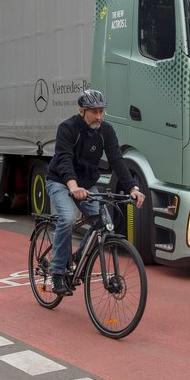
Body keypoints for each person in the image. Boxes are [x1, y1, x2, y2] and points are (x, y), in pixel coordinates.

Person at [45, 89, 145, 296]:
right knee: (68, 218)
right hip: (61, 182)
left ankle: (76, 258)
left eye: (101, 111)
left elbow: (117, 160)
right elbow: (63, 159)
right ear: (81, 111)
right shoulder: (67, 128)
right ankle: (56, 274)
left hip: (86, 185)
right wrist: (72, 186)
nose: (99, 116)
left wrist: (132, 188)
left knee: (104, 221)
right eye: (94, 112)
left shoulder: (106, 131)